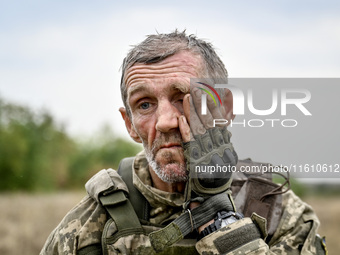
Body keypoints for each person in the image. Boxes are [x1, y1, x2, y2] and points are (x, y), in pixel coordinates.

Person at [40, 30, 326, 255]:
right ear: (129, 125)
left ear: (224, 109)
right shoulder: (90, 225)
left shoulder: (276, 211)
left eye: (182, 98)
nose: (165, 121)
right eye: (144, 105)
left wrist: (218, 216)